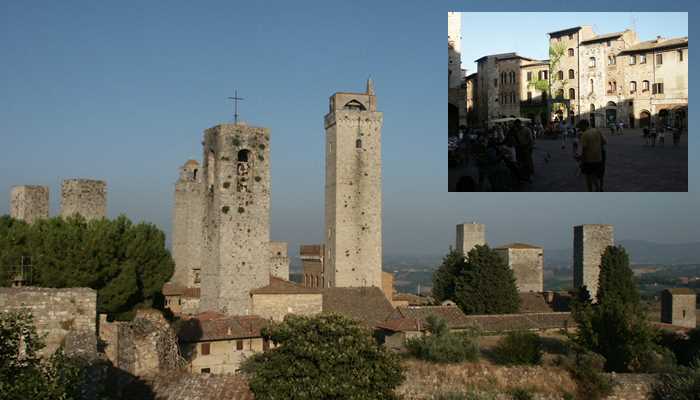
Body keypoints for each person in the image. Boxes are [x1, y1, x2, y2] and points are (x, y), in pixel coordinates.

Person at [577, 119, 606, 192]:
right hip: (599, 158)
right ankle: (599, 188)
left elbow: (584, 149)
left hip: (589, 159)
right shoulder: (597, 131)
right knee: (596, 175)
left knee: (588, 178)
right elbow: (604, 142)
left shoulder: (585, 134)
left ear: (584, 125)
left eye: (580, 126)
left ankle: (591, 191)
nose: (580, 128)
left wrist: (581, 160)